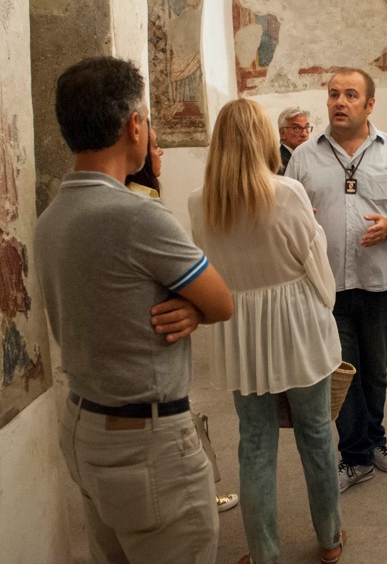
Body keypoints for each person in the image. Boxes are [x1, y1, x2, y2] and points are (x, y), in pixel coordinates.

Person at [34, 56, 233, 564]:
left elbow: (114, 301)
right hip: (146, 441)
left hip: (85, 425)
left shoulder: (53, 215)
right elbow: (222, 301)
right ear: (134, 125)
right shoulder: (136, 215)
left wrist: (187, 310)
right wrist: (196, 308)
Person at [189, 98, 345, 564]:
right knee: (316, 433)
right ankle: (330, 540)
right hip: (298, 323)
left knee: (254, 442)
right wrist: (326, 305)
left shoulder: (201, 203)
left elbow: (210, 269)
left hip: (241, 328)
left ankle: (263, 554)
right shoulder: (287, 192)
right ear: (263, 139)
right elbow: (315, 264)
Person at [285, 68, 387, 493]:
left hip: (379, 281)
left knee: (376, 372)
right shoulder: (304, 156)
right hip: (325, 286)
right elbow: (287, 217)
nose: (339, 102)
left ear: (370, 105)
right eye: (333, 94)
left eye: (351, 95)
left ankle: (375, 441)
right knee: (341, 372)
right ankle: (355, 455)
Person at [124, 125, 240, 516]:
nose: (161, 154)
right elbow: (218, 301)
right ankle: (201, 496)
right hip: (153, 362)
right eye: (155, 146)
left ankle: (203, 491)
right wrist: (196, 305)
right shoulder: (143, 208)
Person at [277, 106, 312, 175]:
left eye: (306, 127)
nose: (304, 134)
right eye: (296, 128)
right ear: (283, 133)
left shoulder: (307, 157)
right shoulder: (279, 164)